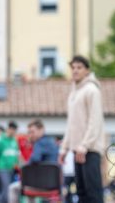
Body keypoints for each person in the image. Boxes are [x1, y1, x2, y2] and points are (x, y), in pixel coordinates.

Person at [59, 55, 105, 203]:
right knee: (81, 192)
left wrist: (84, 145)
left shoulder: (92, 90)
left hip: (89, 149)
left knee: (93, 193)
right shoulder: (74, 93)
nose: (75, 71)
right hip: (76, 150)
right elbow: (71, 124)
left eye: (79, 67)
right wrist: (64, 148)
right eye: (73, 68)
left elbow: (95, 121)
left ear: (87, 70)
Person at [7, 119, 59, 203]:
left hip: (40, 184)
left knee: (13, 188)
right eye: (29, 132)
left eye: (32, 132)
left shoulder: (39, 143)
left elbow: (35, 159)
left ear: (41, 129)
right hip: (54, 185)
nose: (30, 135)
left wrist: (25, 164)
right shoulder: (52, 142)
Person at [0, 121, 20, 203]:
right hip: (3, 168)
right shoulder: (1, 141)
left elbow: (16, 154)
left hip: (12, 169)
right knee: (6, 188)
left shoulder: (14, 141)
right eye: (13, 130)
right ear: (9, 129)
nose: (14, 132)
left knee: (11, 189)